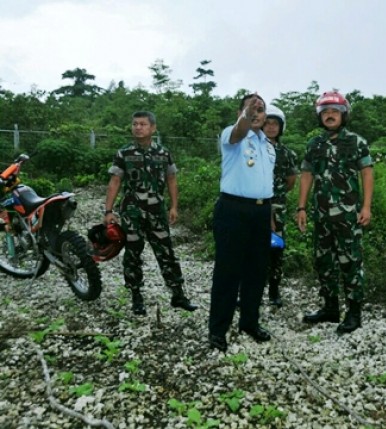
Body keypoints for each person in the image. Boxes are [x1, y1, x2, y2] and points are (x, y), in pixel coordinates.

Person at [104, 111, 197, 316]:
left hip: (156, 210)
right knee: (133, 253)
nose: (138, 127)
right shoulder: (124, 153)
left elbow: (172, 179)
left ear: (153, 128)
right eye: (135, 124)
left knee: (166, 252)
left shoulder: (163, 153)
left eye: (143, 124)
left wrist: (174, 206)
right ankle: (136, 295)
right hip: (132, 211)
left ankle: (178, 295)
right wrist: (108, 211)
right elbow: (115, 182)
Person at [297, 90, 374, 334]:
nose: (330, 116)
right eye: (325, 112)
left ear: (344, 115)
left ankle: (354, 312)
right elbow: (307, 175)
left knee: (350, 262)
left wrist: (366, 206)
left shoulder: (356, 142)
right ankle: (330, 307)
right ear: (320, 116)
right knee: (324, 262)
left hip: (348, 216)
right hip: (321, 215)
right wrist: (301, 207)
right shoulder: (314, 144)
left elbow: (367, 173)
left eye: (334, 112)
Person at [208, 94, 276, 352]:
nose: (257, 113)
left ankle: (249, 322)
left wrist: (268, 217)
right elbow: (239, 129)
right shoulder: (233, 136)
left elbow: (265, 185)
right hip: (233, 210)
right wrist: (245, 115)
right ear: (242, 111)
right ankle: (217, 330)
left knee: (257, 271)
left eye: (261, 109)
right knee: (228, 272)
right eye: (252, 108)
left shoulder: (268, 145)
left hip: (260, 212)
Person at [263, 105, 298, 307]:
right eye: (267, 123)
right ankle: (250, 290)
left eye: (274, 123)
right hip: (254, 205)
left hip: (277, 207)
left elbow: (291, 180)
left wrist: (277, 196)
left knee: (276, 249)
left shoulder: (286, 153)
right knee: (251, 249)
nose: (270, 127)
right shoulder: (253, 148)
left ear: (281, 127)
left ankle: (274, 291)